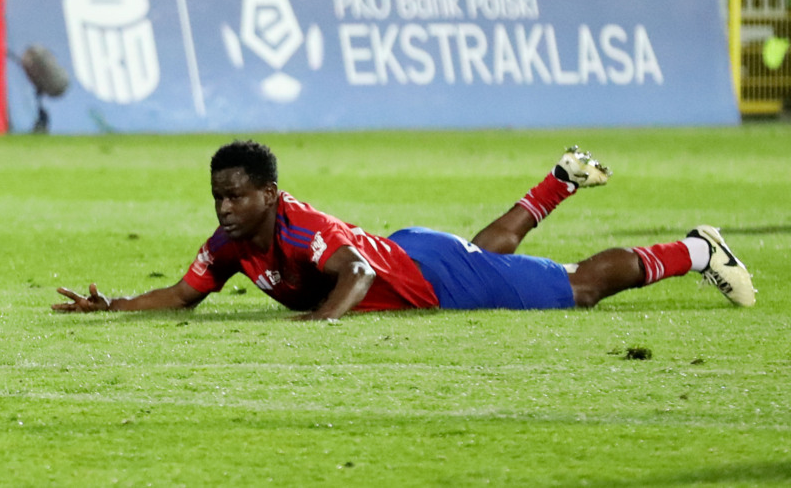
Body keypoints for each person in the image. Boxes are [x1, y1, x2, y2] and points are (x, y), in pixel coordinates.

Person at [53, 141, 755, 318]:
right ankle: (560, 179)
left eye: (236, 196)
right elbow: (181, 294)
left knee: (575, 290)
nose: (225, 208)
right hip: (416, 251)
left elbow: (354, 273)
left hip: (426, 275)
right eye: (217, 197)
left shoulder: (304, 230)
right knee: (487, 255)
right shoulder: (231, 244)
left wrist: (324, 321)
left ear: (269, 192)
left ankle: (695, 248)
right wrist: (111, 306)